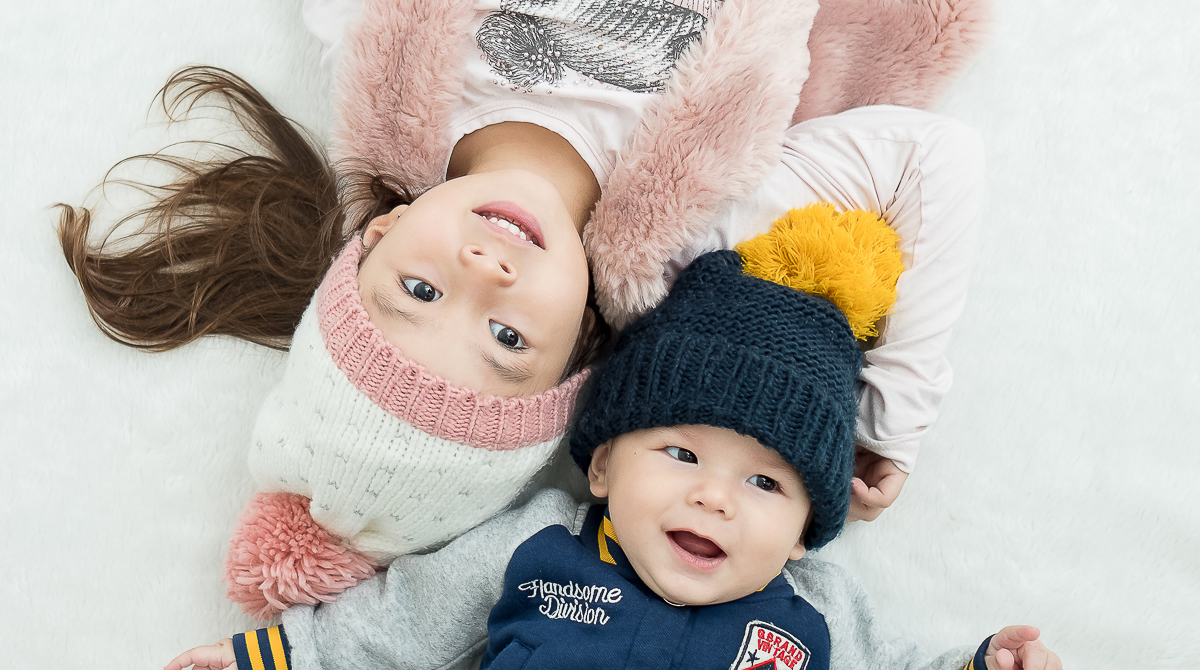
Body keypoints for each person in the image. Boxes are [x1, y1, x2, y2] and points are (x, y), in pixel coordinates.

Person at [59, 0, 989, 613]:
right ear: (580, 345)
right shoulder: (717, 210)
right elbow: (932, 160)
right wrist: (891, 417)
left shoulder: (383, 65)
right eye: (507, 339)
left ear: (373, 241)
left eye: (418, 293)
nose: (483, 271)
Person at [165, 220, 1069, 670]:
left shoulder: (814, 618)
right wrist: (278, 660)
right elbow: (405, 622)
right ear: (599, 465)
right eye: (680, 455)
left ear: (803, 533)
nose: (713, 495)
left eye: (766, 484)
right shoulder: (538, 544)